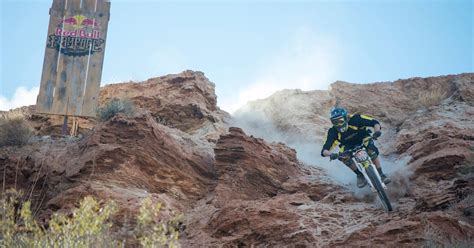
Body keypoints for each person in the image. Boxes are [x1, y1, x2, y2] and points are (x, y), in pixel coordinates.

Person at [321, 107, 390, 188]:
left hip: (363, 137)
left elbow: (374, 122)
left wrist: (377, 131)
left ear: (346, 118)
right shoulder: (332, 131)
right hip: (347, 144)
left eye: (340, 120)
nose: (338, 124)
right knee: (343, 157)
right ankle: (359, 175)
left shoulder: (356, 119)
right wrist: (332, 154)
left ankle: (381, 174)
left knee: (371, 149)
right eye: (335, 122)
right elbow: (324, 150)